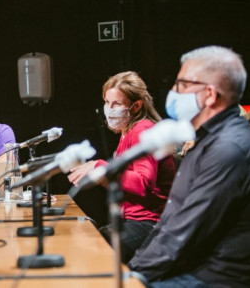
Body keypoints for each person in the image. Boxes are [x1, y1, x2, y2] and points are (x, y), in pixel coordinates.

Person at [128, 46, 250, 287]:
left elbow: (185, 230)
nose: (173, 92)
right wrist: (134, 269)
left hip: (214, 279)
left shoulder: (230, 148)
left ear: (210, 95)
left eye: (182, 85)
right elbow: (172, 220)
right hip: (190, 271)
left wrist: (134, 276)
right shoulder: (205, 140)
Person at [67, 71, 175, 263]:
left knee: (94, 249)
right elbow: (125, 182)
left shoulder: (142, 130)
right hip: (133, 219)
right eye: (107, 102)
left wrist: (100, 166)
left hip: (150, 224)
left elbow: (143, 183)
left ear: (137, 106)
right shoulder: (127, 133)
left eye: (116, 104)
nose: (109, 109)